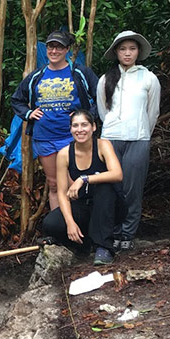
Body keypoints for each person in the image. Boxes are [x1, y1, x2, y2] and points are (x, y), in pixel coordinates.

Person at [10, 30, 99, 211]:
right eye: (51, 46)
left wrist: (86, 117)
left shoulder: (79, 73)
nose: (54, 51)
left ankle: (80, 224)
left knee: (75, 181)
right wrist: (28, 114)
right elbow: (17, 99)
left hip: (73, 137)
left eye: (59, 47)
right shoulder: (36, 76)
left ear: (67, 49)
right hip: (45, 137)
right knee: (53, 183)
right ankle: (58, 227)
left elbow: (101, 98)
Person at [97, 30, 160, 251]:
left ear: (138, 52)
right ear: (116, 52)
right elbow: (103, 111)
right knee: (111, 188)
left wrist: (142, 132)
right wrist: (114, 128)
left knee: (132, 189)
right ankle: (112, 232)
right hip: (111, 139)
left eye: (132, 49)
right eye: (123, 49)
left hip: (138, 139)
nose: (127, 53)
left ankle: (128, 233)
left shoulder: (149, 78)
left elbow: (152, 112)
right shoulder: (106, 79)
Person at [41, 109, 124, 266]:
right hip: (84, 204)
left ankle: (104, 247)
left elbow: (117, 174)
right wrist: (70, 222)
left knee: (104, 187)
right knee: (51, 223)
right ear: (71, 129)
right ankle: (84, 245)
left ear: (93, 127)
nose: (80, 130)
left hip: (109, 206)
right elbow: (62, 192)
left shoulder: (103, 145)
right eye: (75, 126)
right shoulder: (65, 154)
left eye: (84, 125)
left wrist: (84, 179)